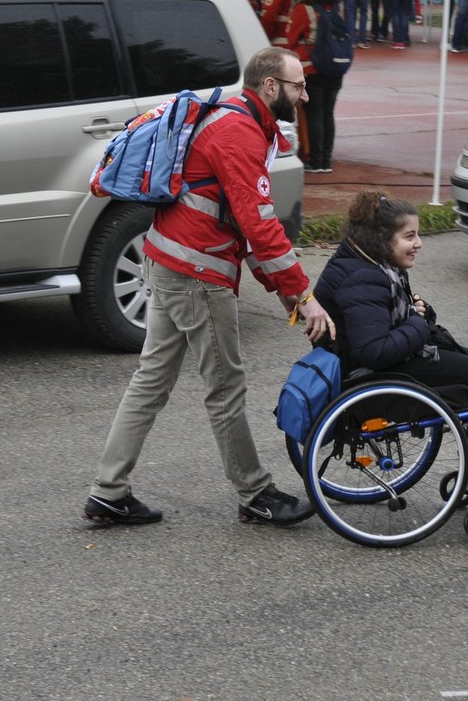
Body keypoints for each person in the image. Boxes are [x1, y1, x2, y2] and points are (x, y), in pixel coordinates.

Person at [85, 47, 336, 529]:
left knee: (151, 379)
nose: (304, 94)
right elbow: (260, 224)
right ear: (269, 87)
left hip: (169, 259)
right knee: (224, 388)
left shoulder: (236, 119)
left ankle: (108, 491)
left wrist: (283, 290)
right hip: (197, 274)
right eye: (297, 85)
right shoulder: (238, 132)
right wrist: (303, 296)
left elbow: (241, 227)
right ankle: (257, 493)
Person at [313, 191, 468, 492]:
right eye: (410, 236)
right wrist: (416, 323)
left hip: (374, 361)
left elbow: (390, 316)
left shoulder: (370, 260)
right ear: (381, 237)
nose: (418, 243)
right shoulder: (363, 276)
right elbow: (373, 351)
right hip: (367, 376)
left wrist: (419, 313)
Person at [285, 0, 344, 173]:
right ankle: (326, 160)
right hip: (335, 66)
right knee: (328, 113)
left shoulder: (303, 9)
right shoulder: (336, 8)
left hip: (312, 67)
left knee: (314, 114)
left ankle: (315, 160)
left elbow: (290, 39)